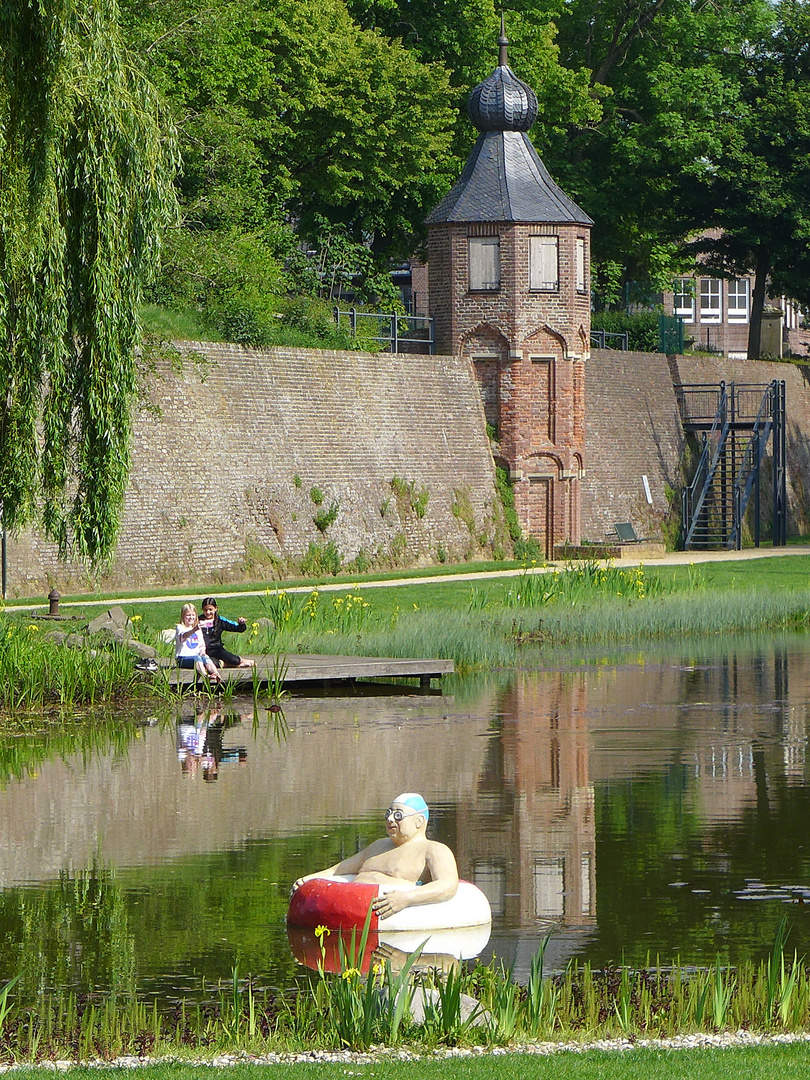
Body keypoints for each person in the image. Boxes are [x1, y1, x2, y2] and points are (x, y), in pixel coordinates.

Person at [291, 793, 459, 920]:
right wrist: (309, 880)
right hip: (349, 915)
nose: (391, 819)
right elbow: (338, 870)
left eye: (398, 815)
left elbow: (448, 885)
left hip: (393, 917)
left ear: (419, 821)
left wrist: (406, 898)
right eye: (388, 813)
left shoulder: (434, 850)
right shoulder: (378, 845)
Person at [199, 597, 255, 668]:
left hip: (217, 649)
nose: (208, 612)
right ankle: (225, 664)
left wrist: (241, 624)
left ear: (215, 608)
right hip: (204, 651)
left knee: (233, 660)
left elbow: (237, 628)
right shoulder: (198, 621)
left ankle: (241, 661)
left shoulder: (220, 620)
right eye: (205, 610)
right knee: (209, 663)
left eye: (210, 609)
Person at [175, 603, 222, 684]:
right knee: (197, 658)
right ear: (183, 616)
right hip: (182, 658)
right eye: (188, 615)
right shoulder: (180, 627)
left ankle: (217, 675)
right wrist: (194, 629)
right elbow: (183, 636)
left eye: (193, 615)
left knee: (206, 658)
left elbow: (201, 645)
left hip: (197, 657)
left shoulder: (198, 629)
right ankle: (205, 675)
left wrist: (203, 653)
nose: (191, 617)